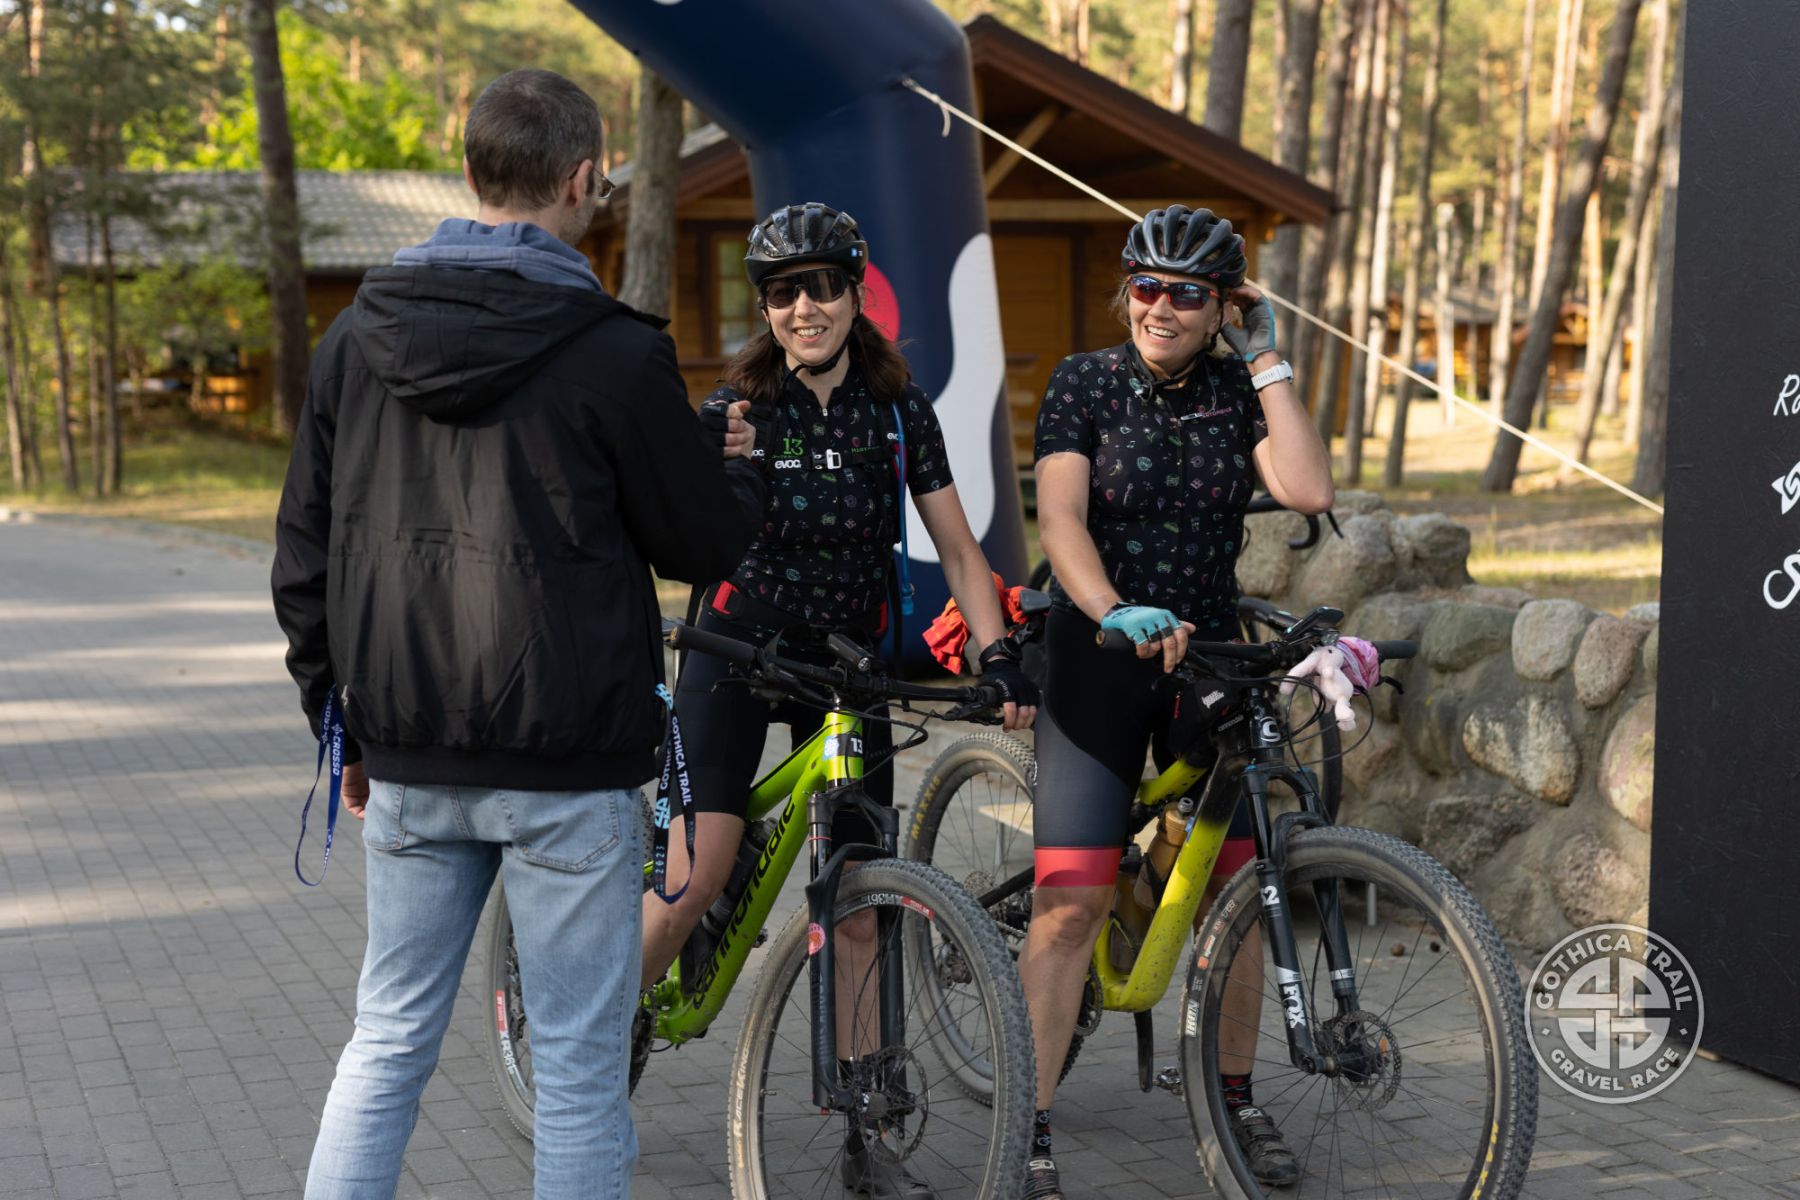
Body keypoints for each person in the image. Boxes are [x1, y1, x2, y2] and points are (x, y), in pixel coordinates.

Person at [271, 67, 765, 1200]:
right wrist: (733, 475)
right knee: (580, 1069)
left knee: (386, 1040)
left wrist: (339, 727)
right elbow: (699, 542)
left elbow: (302, 557)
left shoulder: (354, 338)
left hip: (407, 752)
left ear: (471, 172)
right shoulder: (616, 349)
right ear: (584, 179)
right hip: (570, 764)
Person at [640, 202, 1037, 1200]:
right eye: (783, 292)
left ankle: (866, 1129)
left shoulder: (899, 411)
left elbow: (960, 549)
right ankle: (592, 1045)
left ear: (857, 295)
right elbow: (684, 534)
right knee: (696, 875)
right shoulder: (737, 407)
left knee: (860, 906)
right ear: (766, 307)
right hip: (736, 647)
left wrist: (998, 652)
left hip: (847, 666)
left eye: (822, 286)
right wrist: (706, 459)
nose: (803, 308)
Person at [1019, 206, 1334, 1198]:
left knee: (1237, 897)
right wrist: (1111, 608)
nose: (1160, 307)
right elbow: (1060, 519)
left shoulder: (1238, 390)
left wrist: (1268, 358)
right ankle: (1030, 1123)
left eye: (1188, 294)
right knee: (1069, 905)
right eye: (1146, 286)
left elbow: (1308, 491)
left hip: (1205, 657)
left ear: (1222, 307)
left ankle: (1235, 1100)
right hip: (1099, 650)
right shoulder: (1085, 381)